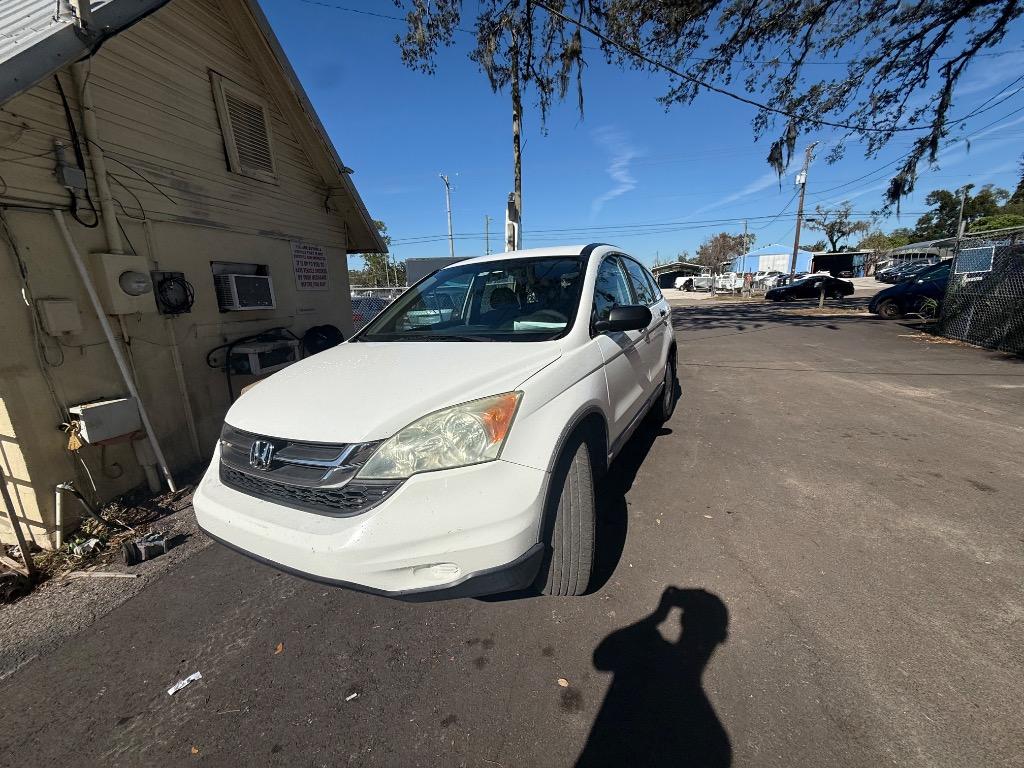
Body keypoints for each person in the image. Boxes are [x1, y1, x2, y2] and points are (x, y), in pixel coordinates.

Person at [576, 587, 731, 768]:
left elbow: (602, 658)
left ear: (683, 620)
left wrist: (658, 616)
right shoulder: (714, 739)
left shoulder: (648, 652)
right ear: (720, 637)